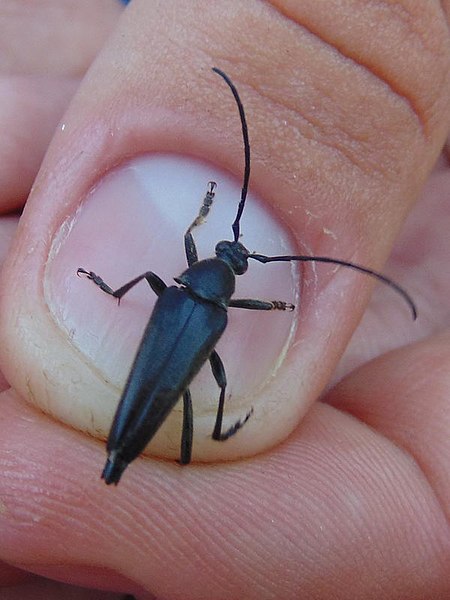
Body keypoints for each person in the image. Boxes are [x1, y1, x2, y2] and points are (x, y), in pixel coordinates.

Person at [0, 1, 449, 598]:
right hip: (165, 377)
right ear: (231, 281)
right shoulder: (217, 306)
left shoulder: (186, 282)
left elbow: (189, 239)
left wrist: (125, 278)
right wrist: (280, 308)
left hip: (146, 368)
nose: (235, 254)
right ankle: (170, 443)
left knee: (170, 390)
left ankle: (130, 443)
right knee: (190, 396)